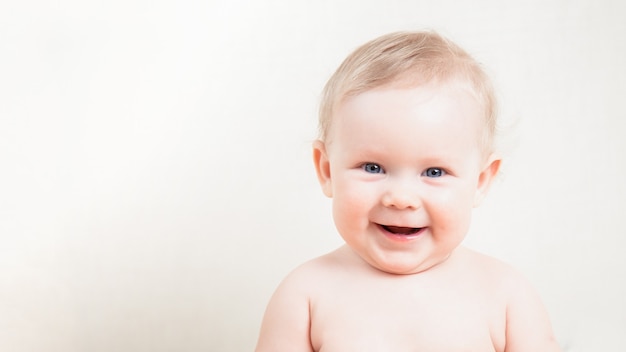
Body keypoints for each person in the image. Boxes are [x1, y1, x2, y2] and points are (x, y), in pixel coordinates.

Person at [255, 31, 560, 352]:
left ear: (481, 180)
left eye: (434, 172)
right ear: (327, 170)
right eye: (373, 167)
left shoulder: (506, 296)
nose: (400, 198)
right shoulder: (304, 296)